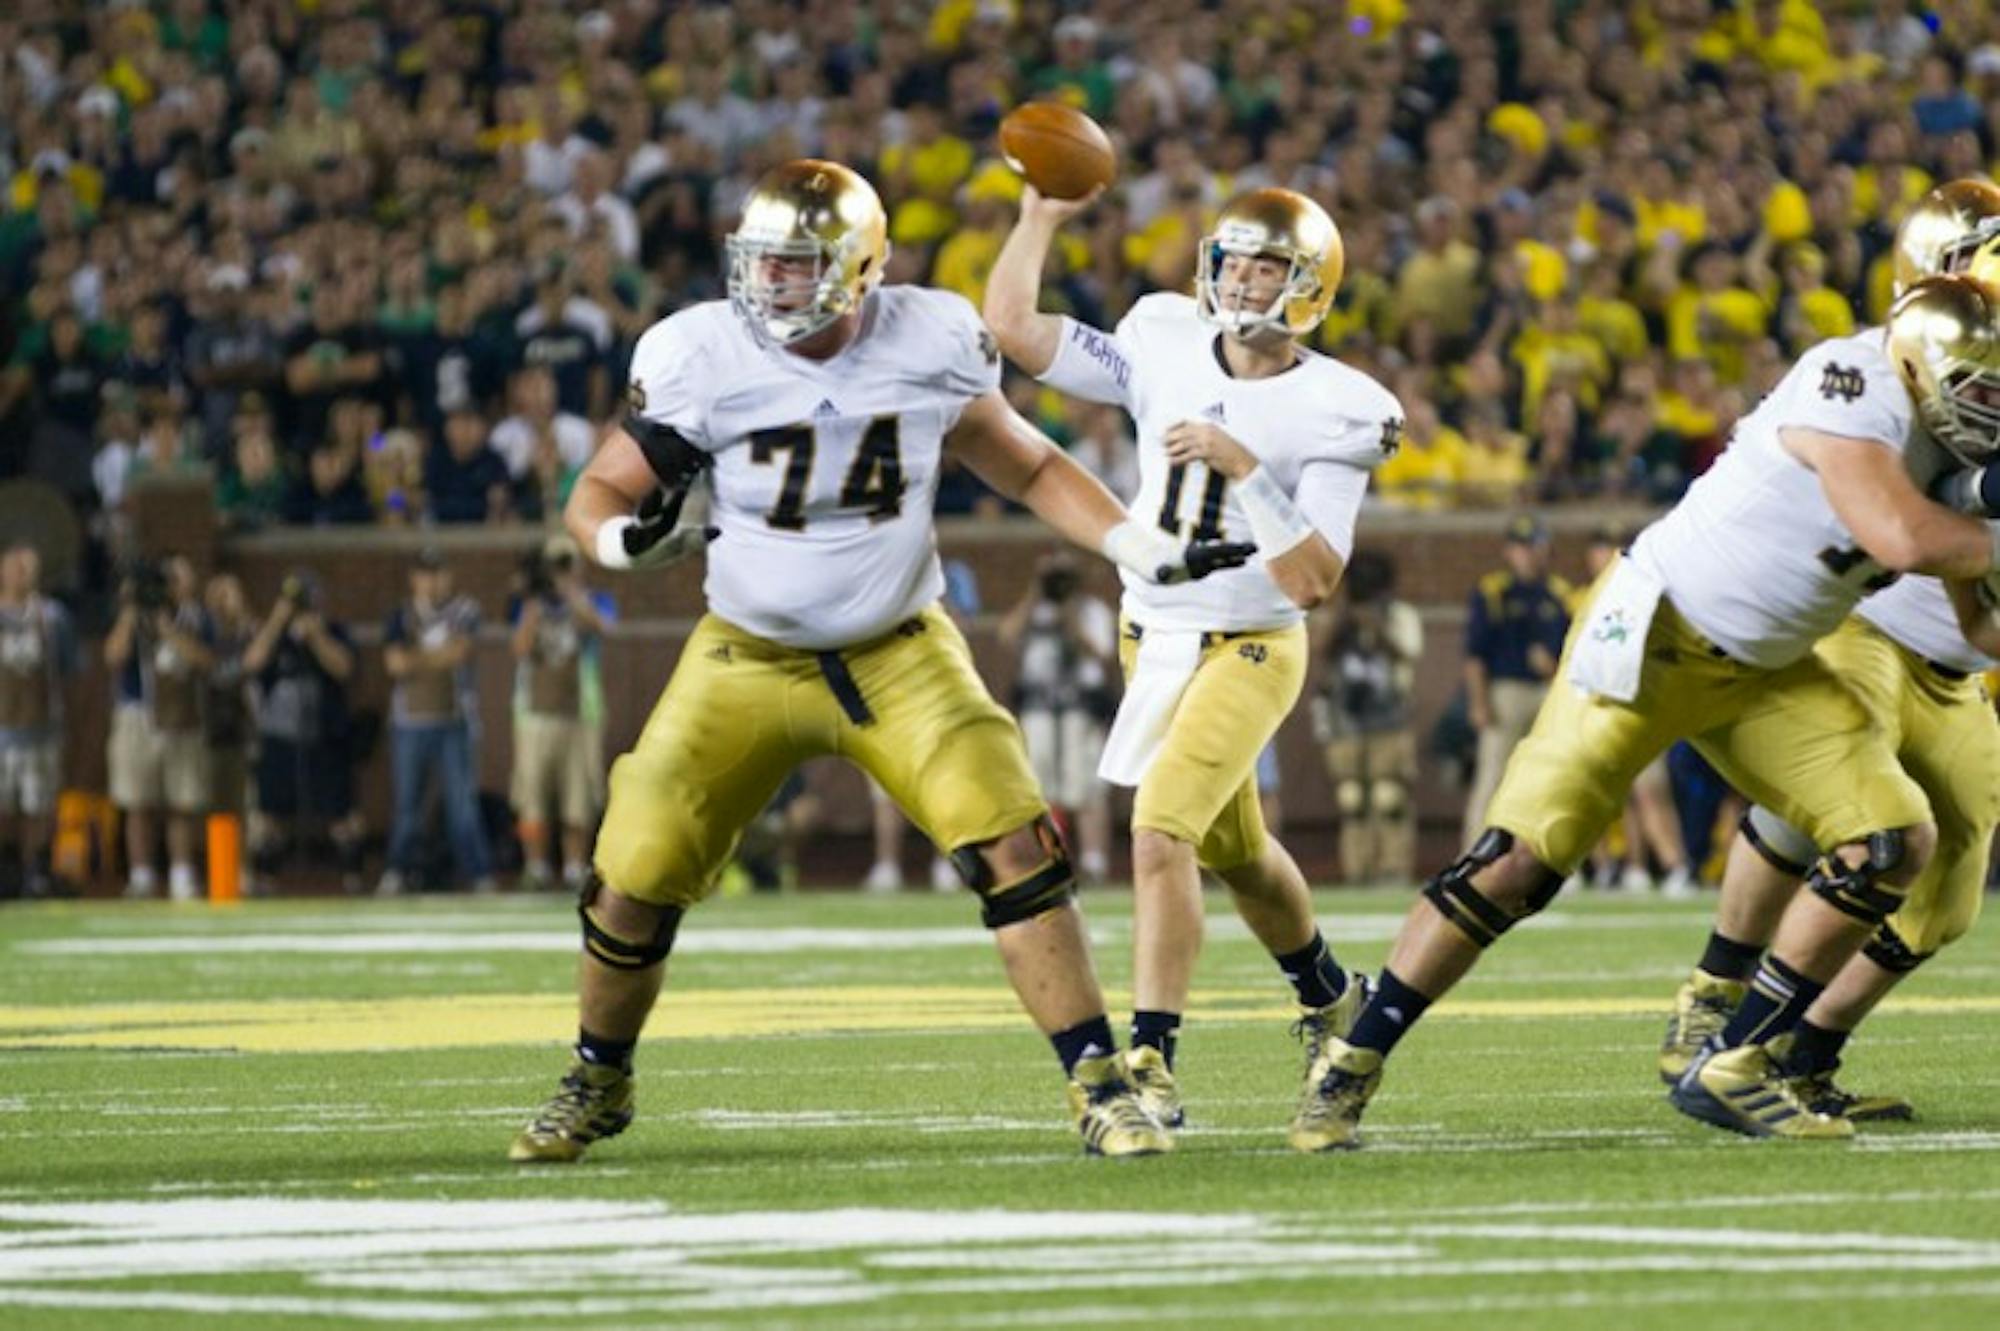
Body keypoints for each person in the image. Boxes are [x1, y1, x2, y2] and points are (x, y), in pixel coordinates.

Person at [511, 159, 1248, 1165]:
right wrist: (614, 547)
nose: (771, 285)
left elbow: (1024, 460)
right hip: (744, 653)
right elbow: (597, 486)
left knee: (1017, 844)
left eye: (798, 265)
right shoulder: (698, 351)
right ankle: (597, 1074)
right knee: (629, 871)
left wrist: (1133, 543)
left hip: (899, 647)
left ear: (860, 266)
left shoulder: (930, 336)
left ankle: (1096, 1080)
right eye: (762, 263)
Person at [1294, 271, 2000, 1149]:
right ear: (1923, 366)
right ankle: (1351, 1062)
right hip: (1656, 632)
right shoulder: (1852, 381)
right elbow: (1900, 535)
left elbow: (1978, 616)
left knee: (1893, 841)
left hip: (1766, 671)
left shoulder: (1956, 445)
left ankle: (1737, 1061)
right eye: (1983, 387)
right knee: (1518, 864)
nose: (1992, 407)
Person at [985, 180, 1402, 1146]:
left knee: (1159, 827)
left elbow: (1312, 580)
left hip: (1255, 641)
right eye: (1234, 259)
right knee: (1238, 852)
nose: (1242, 280)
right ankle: (1333, 996)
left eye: (1267, 266)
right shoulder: (1161, 336)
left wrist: (1245, 467)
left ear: (1309, 286)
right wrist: (1038, 219)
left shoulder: (1343, 406)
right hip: (1153, 634)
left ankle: (1150, 1057)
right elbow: (1016, 330)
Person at [1654, 181, 2000, 1115]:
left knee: (1949, 900)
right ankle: (1716, 1002)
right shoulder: (1895, 367)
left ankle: (1804, 1050)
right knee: (1833, 812)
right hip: (1870, 625)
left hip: (1962, 665)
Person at [1578, 524, 1694, 896]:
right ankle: (1610, 866)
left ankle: (1671, 864)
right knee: (1596, 792)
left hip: (1635, 701)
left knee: (1650, 790)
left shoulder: (1640, 595)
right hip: (1592, 703)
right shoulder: (1576, 598)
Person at [378, 550, 495, 896]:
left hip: (454, 719)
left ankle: (478, 873)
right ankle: (397, 870)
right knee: (407, 806)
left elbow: (460, 653)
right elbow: (394, 665)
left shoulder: (465, 610)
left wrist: (417, 658)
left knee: (462, 803)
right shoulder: (399, 614)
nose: (432, 581)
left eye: (438, 573)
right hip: (409, 722)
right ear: (414, 578)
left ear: (449, 575)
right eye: (425, 573)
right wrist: (435, 657)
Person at [996, 552, 1116, 884]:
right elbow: (1007, 635)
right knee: (1040, 784)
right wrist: (1036, 592)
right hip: (1039, 706)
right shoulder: (1034, 610)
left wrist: (1071, 615)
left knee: (1086, 785)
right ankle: (1049, 856)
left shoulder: (1092, 611)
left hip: (1080, 707)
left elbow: (1100, 653)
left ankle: (1094, 860)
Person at [243, 570, 363, 893]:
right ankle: (265, 877)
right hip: (280, 737)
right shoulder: (276, 636)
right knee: (269, 814)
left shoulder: (333, 630)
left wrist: (316, 636)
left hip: (324, 736)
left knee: (341, 813)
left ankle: (352, 876)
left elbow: (344, 667)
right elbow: (251, 663)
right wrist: (276, 620)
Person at [104, 555, 215, 902]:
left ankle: (181, 873)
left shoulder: (195, 617)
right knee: (138, 801)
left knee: (181, 801)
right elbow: (113, 656)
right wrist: (129, 609)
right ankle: (141, 875)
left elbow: (207, 661)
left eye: (178, 578)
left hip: (182, 718)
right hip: (139, 715)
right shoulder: (136, 617)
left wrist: (168, 628)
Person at [508, 534, 614, 891]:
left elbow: (603, 627)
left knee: (578, 796)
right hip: (534, 714)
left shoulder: (594, 600)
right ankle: (535, 865)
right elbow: (520, 648)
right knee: (532, 794)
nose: (562, 573)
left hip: (581, 712)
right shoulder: (529, 604)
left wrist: (573, 597)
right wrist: (535, 607)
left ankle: (573, 866)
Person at [1311, 550, 1423, 885]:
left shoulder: (1399, 615)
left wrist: (1379, 630)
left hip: (1390, 717)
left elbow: (1410, 652)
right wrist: (1344, 617)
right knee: (1352, 799)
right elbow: (1319, 651)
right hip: (1344, 720)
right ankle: (1357, 870)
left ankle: (1393, 868)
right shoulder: (1335, 616)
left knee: (1390, 797)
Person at [1460, 515, 1571, 844]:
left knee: (1549, 778)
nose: (1529, 554)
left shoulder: (1559, 593)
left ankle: (1542, 857)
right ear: (1509, 552)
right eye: (1522, 547)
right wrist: (1479, 701)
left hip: (1549, 690)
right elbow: (1475, 654)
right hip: (1506, 691)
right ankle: (1472, 856)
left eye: (1534, 546)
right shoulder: (1493, 591)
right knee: (1493, 775)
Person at [0, 543, 76, 899]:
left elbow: (69, 670)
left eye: (29, 567)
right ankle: (8, 867)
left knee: (39, 805)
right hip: (2, 726)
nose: (22, 574)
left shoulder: (52, 616)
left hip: (40, 726)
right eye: (16, 566)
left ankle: (35, 870)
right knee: (5, 805)